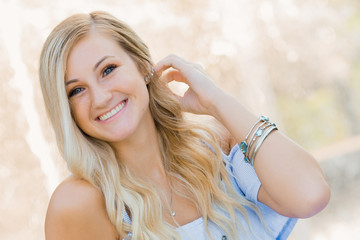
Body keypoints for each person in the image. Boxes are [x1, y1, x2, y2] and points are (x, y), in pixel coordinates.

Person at [39, 11, 330, 240]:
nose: (100, 97)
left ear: (143, 67)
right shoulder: (81, 203)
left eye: (108, 70)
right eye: (76, 90)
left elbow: (310, 195)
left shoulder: (216, 144)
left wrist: (216, 100)